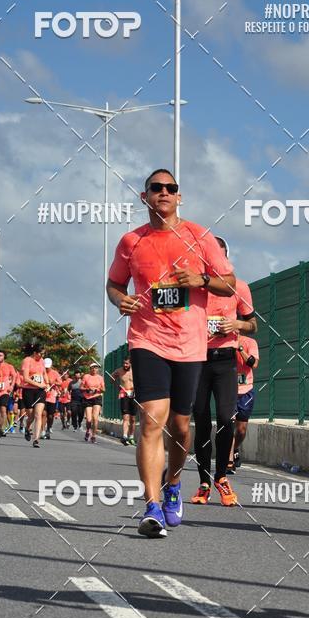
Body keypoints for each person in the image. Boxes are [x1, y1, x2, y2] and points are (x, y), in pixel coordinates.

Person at [107, 168, 235, 538]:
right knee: (152, 420)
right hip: (147, 339)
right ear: (145, 197)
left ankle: (174, 483)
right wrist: (120, 300)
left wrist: (201, 280)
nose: (164, 192)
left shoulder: (200, 237)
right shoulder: (131, 241)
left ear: (180, 197)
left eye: (171, 188)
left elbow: (229, 283)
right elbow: (114, 283)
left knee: (181, 427)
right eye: (156, 188)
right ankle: (151, 507)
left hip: (191, 345)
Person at [191, 237, 256, 506]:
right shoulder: (194, 288)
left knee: (226, 419)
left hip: (225, 359)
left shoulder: (239, 287)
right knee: (202, 421)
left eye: (219, 256)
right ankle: (204, 482)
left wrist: (236, 325)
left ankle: (221, 476)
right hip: (195, 359)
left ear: (226, 259)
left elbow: (253, 324)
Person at [227, 334, 260, 474]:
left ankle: (235, 448)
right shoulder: (223, 342)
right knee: (229, 424)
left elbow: (254, 363)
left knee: (241, 430)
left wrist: (240, 348)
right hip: (228, 390)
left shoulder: (249, 342)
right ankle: (229, 462)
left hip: (246, 391)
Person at [21, 343, 48, 448]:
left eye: (43, 354)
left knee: (38, 414)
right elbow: (26, 378)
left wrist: (47, 383)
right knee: (31, 415)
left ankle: (36, 439)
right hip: (28, 391)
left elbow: (44, 373)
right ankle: (27, 428)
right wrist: (39, 384)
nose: (42, 356)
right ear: (35, 353)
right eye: (41, 354)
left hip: (40, 392)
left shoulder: (41, 361)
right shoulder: (27, 360)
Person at [110, 357, 136, 444]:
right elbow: (111, 377)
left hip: (133, 395)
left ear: (131, 364)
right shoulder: (119, 371)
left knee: (133, 419)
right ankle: (124, 436)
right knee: (125, 417)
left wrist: (135, 390)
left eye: (127, 363)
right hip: (124, 394)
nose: (125, 365)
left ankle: (131, 437)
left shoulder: (135, 371)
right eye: (124, 363)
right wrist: (116, 384)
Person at [81, 364, 105, 443]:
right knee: (89, 419)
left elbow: (104, 389)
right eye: (93, 368)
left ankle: (94, 436)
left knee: (95, 418)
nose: (94, 369)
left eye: (96, 368)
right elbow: (81, 387)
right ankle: (88, 430)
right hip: (87, 398)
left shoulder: (100, 378)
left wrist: (97, 389)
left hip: (97, 397)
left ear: (98, 369)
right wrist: (88, 389)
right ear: (90, 368)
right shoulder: (86, 376)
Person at [0, 351, 17, 437]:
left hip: (4, 391)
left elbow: (14, 376)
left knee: (3, 409)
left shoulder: (9, 366)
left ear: (4, 357)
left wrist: (12, 386)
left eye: (0, 355)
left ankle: (1, 428)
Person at [42, 357, 62, 440]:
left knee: (50, 416)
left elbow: (60, 382)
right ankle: (42, 431)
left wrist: (53, 382)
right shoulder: (41, 372)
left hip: (52, 397)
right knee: (43, 414)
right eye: (45, 367)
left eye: (48, 367)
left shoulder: (55, 373)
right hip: (42, 395)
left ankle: (48, 428)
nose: (46, 369)